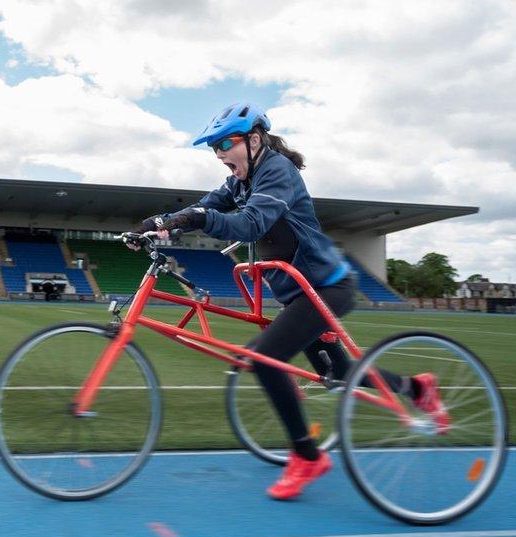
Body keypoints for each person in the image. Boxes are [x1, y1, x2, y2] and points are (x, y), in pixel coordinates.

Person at [131, 102, 450, 500]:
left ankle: (307, 455)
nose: (219, 154)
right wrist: (160, 222)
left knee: (266, 359)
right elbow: (206, 206)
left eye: (225, 143)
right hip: (297, 292)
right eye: (213, 148)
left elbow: (249, 225)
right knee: (340, 375)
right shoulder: (240, 181)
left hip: (325, 287)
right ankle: (418, 389)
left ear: (254, 139)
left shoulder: (277, 171)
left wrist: (192, 221)